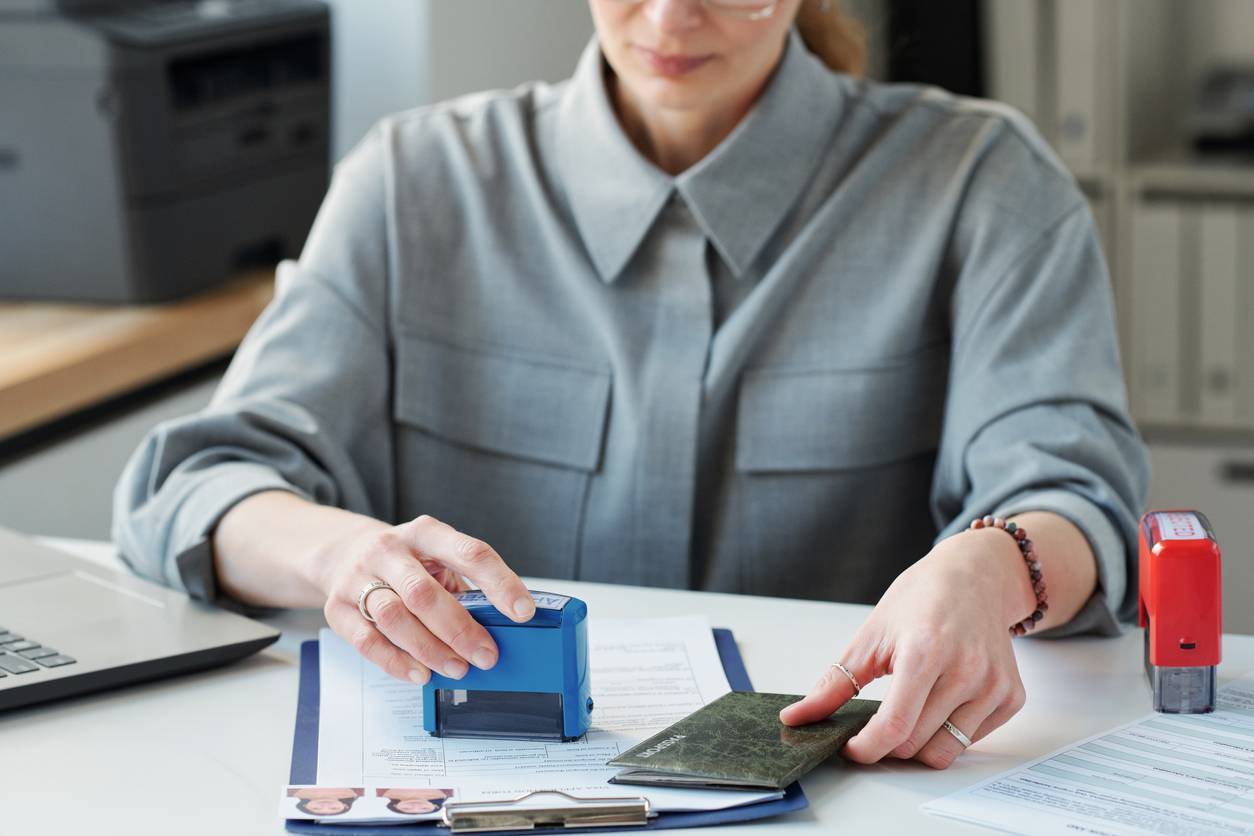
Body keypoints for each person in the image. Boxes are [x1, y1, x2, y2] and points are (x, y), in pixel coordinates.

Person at [113, 0, 1148, 771]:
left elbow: (1074, 493)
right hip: (475, 784)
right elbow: (195, 485)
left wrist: (987, 568)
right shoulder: (413, 181)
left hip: (849, 790)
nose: (669, 14)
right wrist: (344, 553)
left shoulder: (981, 180)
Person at [287, 787, 363, 817]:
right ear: (345, 806)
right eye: (334, 808)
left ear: (305, 805)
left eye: (316, 808)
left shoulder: (290, 792)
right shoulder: (360, 791)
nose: (325, 805)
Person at [377, 787, 452, 816]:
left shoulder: (379, 792)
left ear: (395, 806)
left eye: (407, 808)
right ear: (434, 806)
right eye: (424, 808)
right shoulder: (449, 792)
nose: (415, 806)